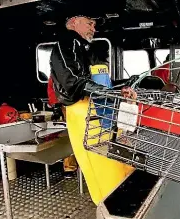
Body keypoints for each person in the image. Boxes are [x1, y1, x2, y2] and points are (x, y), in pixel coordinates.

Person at [50, 15, 134, 205]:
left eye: (94, 25)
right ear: (73, 23)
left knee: (119, 157)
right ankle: (112, 208)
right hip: (82, 110)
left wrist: (120, 87)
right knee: (101, 165)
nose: (93, 29)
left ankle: (125, 202)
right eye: (90, 23)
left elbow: (99, 80)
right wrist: (105, 91)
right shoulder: (65, 45)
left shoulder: (86, 48)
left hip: (103, 108)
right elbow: (70, 81)